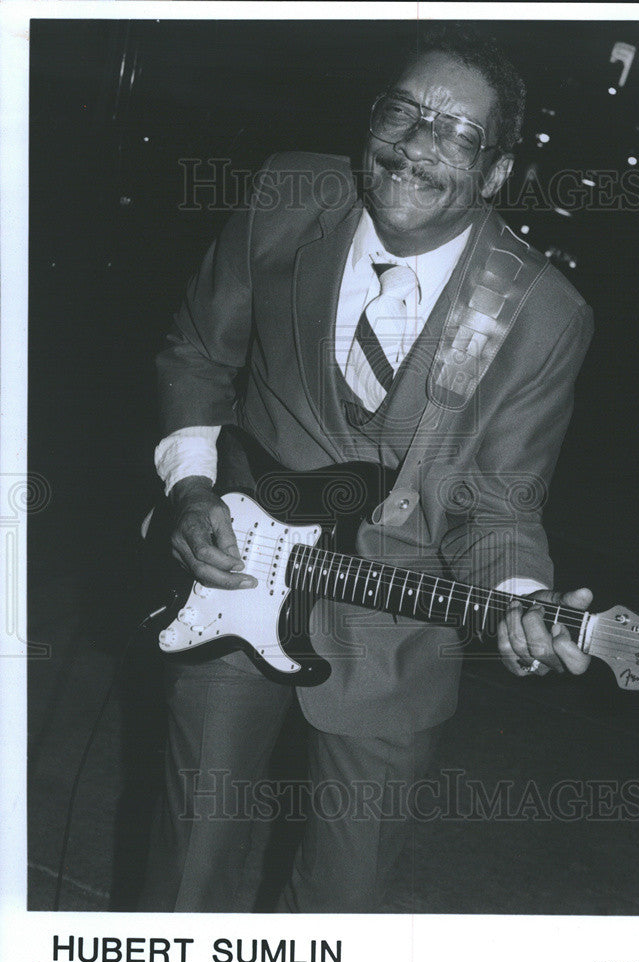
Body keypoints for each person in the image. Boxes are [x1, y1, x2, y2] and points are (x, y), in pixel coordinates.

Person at [140, 24, 594, 913]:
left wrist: (522, 595)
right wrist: (193, 488)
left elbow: (498, 505)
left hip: (396, 636)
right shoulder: (286, 193)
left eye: (459, 134)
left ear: (496, 172)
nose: (420, 144)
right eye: (404, 112)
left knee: (342, 918)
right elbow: (198, 353)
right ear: (372, 119)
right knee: (184, 881)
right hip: (230, 579)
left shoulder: (541, 313)